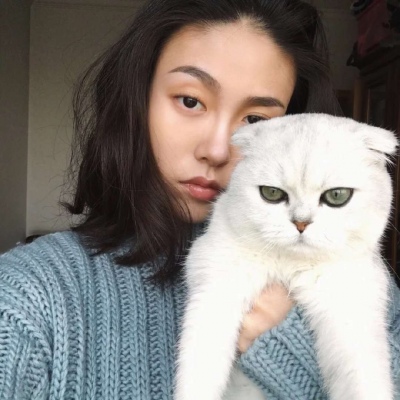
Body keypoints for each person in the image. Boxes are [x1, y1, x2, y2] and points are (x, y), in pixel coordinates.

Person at [0, 0, 399, 398]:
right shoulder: (24, 298)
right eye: (190, 101)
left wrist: (290, 348)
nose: (218, 149)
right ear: (136, 100)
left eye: (256, 120)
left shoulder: (363, 278)